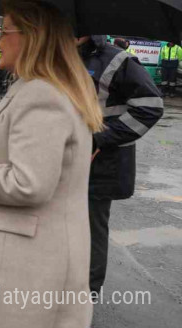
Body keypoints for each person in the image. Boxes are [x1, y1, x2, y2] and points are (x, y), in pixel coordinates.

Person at [0, 0, 102, 327]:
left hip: (20, 268)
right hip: (24, 262)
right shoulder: (41, 87)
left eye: (4, 31)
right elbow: (22, 153)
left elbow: (28, 183)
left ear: (32, 36)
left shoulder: (42, 95)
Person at [78, 35, 163, 296]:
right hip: (68, 159)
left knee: (91, 229)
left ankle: (86, 295)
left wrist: (98, 139)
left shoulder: (116, 60)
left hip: (102, 164)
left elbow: (150, 107)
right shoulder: (59, 56)